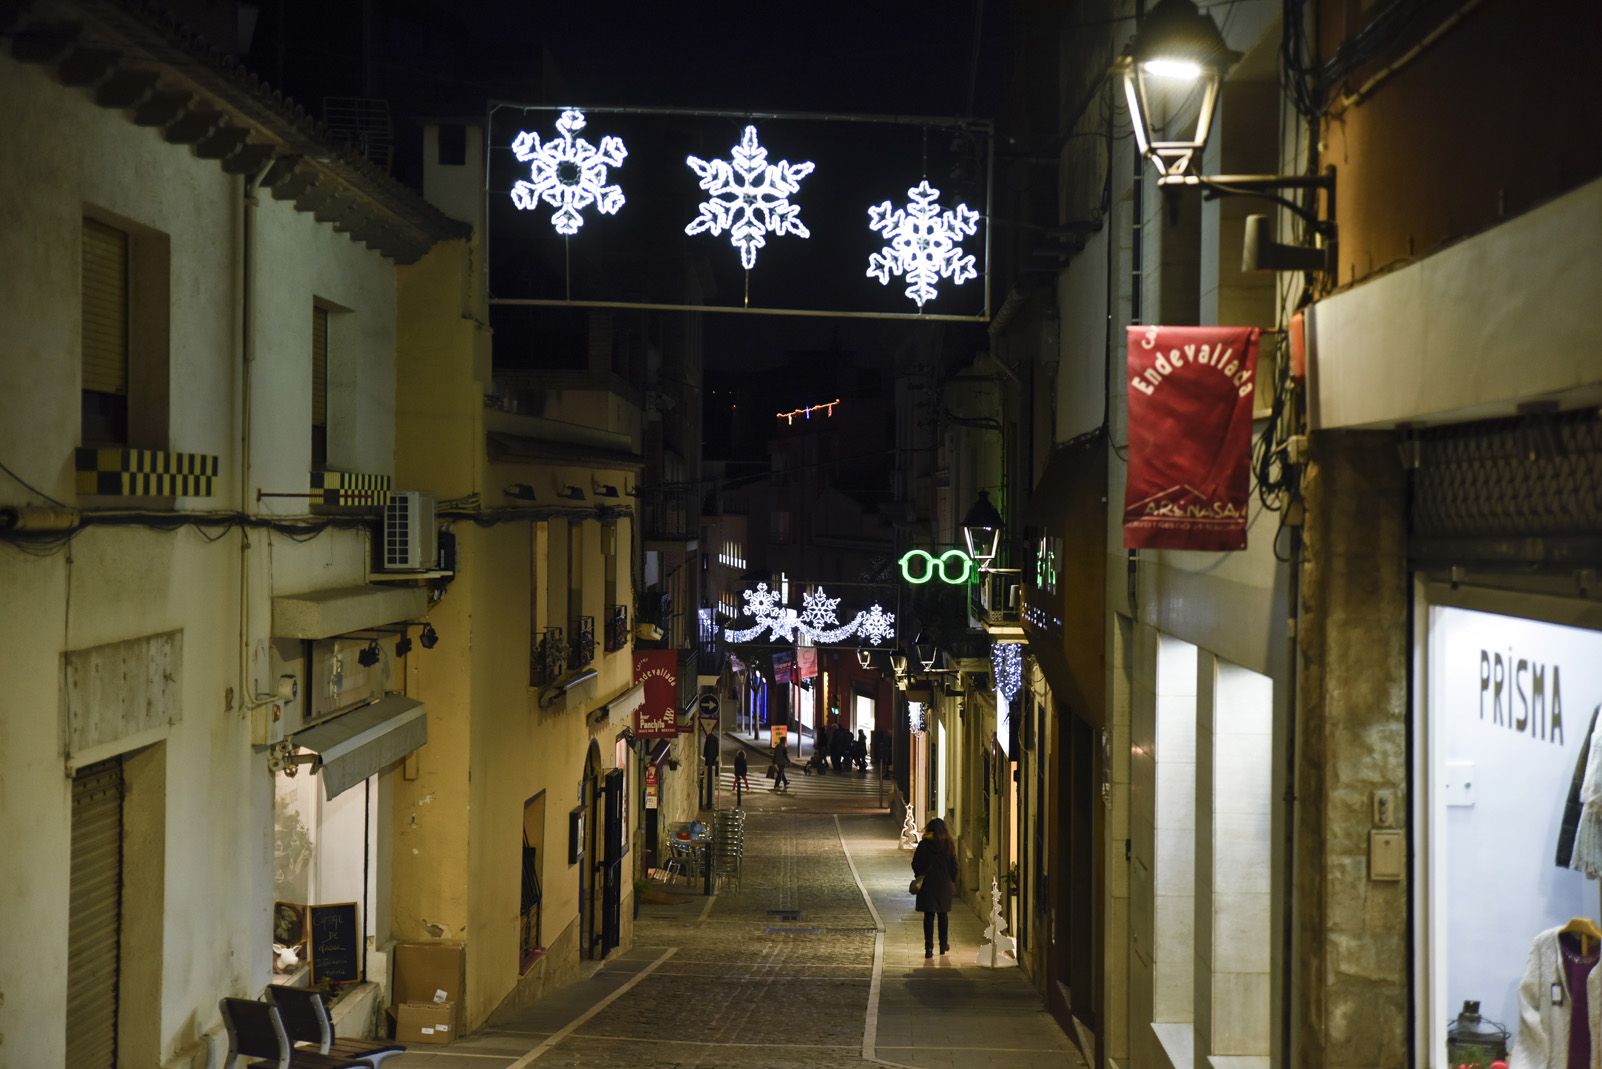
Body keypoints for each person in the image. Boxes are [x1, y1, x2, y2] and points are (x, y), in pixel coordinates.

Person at [911, 817, 959, 959]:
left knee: (929, 915)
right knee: (943, 915)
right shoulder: (948, 845)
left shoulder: (924, 844)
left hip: (927, 884)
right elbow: (954, 865)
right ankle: (943, 945)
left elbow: (915, 863)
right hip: (944, 885)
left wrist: (919, 875)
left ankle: (929, 947)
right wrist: (952, 880)